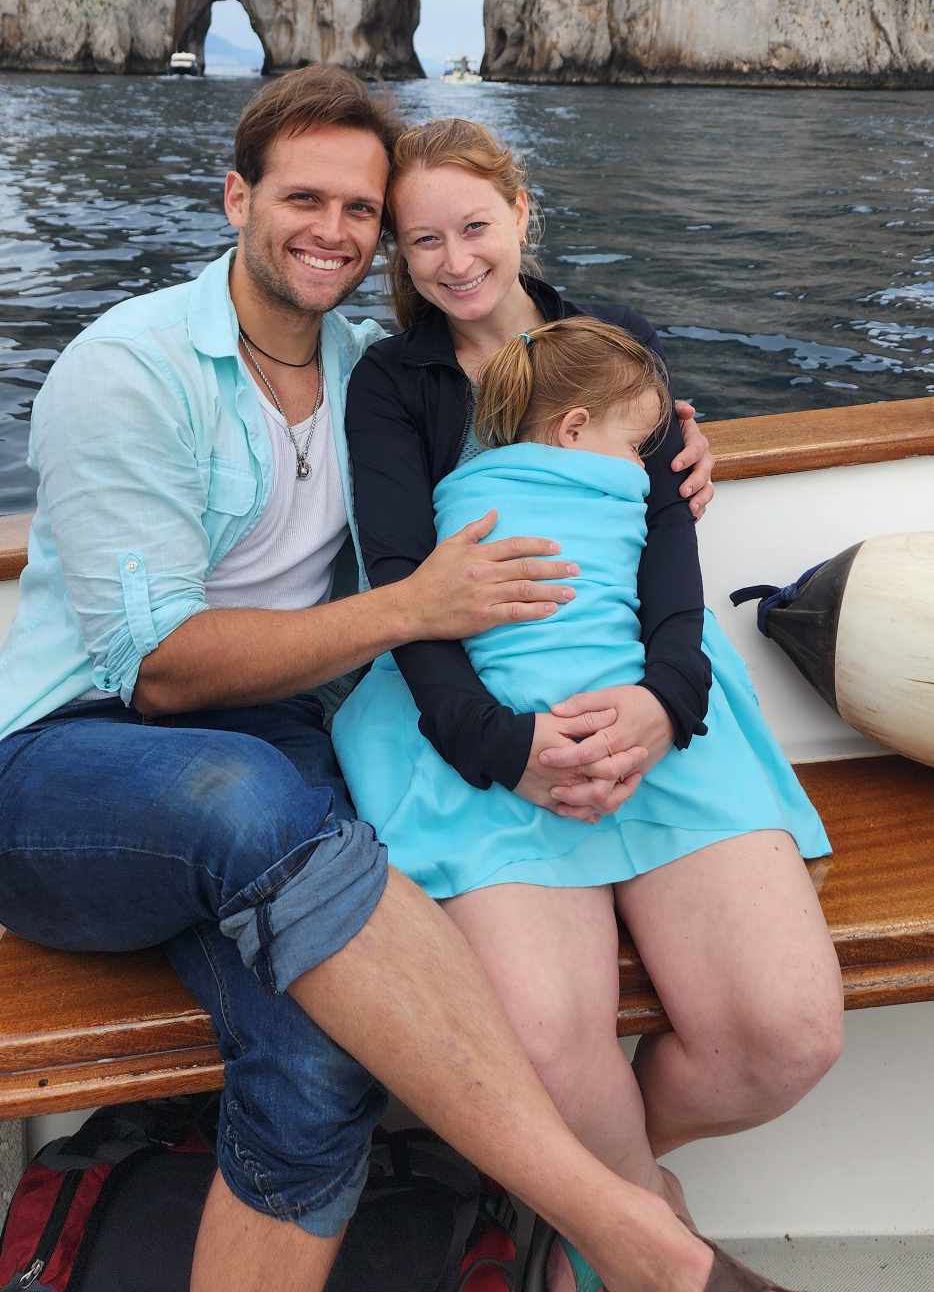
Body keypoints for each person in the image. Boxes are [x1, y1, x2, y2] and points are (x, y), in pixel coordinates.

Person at [0, 66, 759, 1292]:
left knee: (316, 1056)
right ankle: (627, 1231)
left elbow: (542, 411)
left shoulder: (374, 367)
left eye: (362, 210)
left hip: (284, 745)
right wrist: (409, 606)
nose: (335, 231)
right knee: (245, 796)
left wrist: (660, 434)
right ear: (235, 196)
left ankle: (585, 1222)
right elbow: (162, 674)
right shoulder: (131, 364)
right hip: (70, 761)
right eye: (305, 197)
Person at [339, 117, 844, 1292]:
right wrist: (497, 745)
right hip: (473, 717)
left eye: (474, 225)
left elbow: (668, 553)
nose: (455, 259)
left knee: (786, 1034)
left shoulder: (621, 355)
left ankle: (580, 1208)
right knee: (548, 1040)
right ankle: (647, 1244)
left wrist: (669, 702)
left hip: (646, 692)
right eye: (423, 241)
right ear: (399, 260)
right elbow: (402, 588)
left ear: (522, 211)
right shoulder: (391, 385)